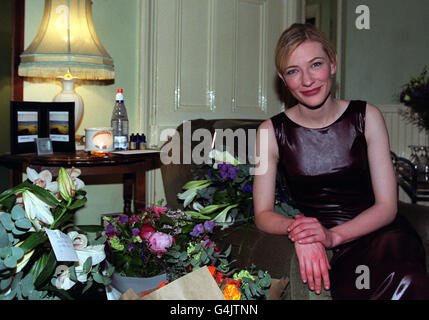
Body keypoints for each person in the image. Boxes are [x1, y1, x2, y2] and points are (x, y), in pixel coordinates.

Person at [253, 23, 429, 299]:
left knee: (404, 277)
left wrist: (333, 236)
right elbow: (262, 214)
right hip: (333, 249)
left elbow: (387, 206)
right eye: (293, 71)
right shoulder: (269, 133)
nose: (307, 80)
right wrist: (303, 232)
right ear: (282, 78)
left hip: (382, 234)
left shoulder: (367, 116)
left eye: (316, 65)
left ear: (333, 64)